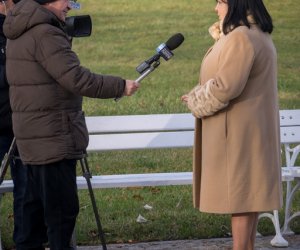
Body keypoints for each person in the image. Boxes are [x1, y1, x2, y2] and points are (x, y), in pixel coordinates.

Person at [3, 0, 139, 249]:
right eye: (67, 0)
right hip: (53, 137)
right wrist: (120, 85)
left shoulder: (20, 31)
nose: (71, 5)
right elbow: (75, 78)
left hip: (32, 137)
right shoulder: (45, 33)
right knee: (61, 216)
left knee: (32, 214)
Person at [181, 0, 282, 249]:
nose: (216, 8)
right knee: (248, 198)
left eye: (220, 2)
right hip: (250, 130)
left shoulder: (242, 37)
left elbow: (227, 86)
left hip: (239, 134)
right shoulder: (255, 34)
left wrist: (196, 100)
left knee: (241, 198)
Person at [0, 0, 29, 247]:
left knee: (27, 191)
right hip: (6, 120)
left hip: (23, 122)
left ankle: (26, 243)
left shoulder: (24, 28)